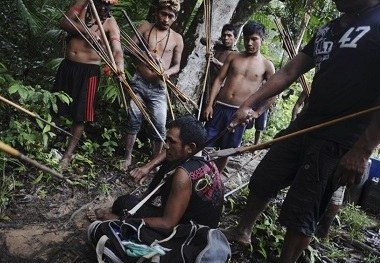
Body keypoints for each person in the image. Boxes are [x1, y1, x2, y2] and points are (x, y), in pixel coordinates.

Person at [223, 0, 380, 262]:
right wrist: (250, 103)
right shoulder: (329, 29)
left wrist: (363, 150)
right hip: (306, 122)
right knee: (265, 177)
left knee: (304, 207)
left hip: (340, 137)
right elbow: (290, 70)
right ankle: (242, 233)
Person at [88, 116, 224, 229]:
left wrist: (118, 220)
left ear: (190, 147)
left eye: (172, 142)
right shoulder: (204, 157)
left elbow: (168, 224)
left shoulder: (183, 174)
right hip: (196, 223)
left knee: (123, 204)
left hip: (185, 233)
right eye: (167, 140)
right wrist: (148, 167)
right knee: (126, 203)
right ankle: (144, 202)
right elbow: (168, 153)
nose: (166, 145)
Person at [53, 0, 124, 169]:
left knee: (80, 114)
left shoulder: (110, 22)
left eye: (107, 7)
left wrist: (119, 66)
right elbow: (64, 22)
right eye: (100, 6)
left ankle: (67, 155)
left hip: (89, 72)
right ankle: (48, 142)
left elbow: (117, 49)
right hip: (68, 66)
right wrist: (86, 30)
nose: (104, 10)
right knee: (55, 106)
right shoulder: (81, 9)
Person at [203, 21, 275, 173]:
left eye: (254, 39)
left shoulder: (267, 65)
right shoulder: (233, 57)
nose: (249, 43)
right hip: (219, 107)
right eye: (246, 38)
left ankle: (213, 179)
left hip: (239, 113)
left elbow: (273, 93)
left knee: (227, 150)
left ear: (261, 39)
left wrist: (257, 113)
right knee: (205, 144)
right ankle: (198, 175)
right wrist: (210, 104)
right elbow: (219, 80)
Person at [121, 0, 184, 171]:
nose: (166, 19)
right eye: (163, 14)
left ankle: (155, 161)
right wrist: (144, 53)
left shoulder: (177, 38)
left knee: (159, 124)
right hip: (139, 82)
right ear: (157, 13)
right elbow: (129, 48)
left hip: (159, 87)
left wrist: (167, 73)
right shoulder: (145, 28)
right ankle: (127, 157)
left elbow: (177, 65)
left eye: (170, 16)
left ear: (175, 18)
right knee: (133, 116)